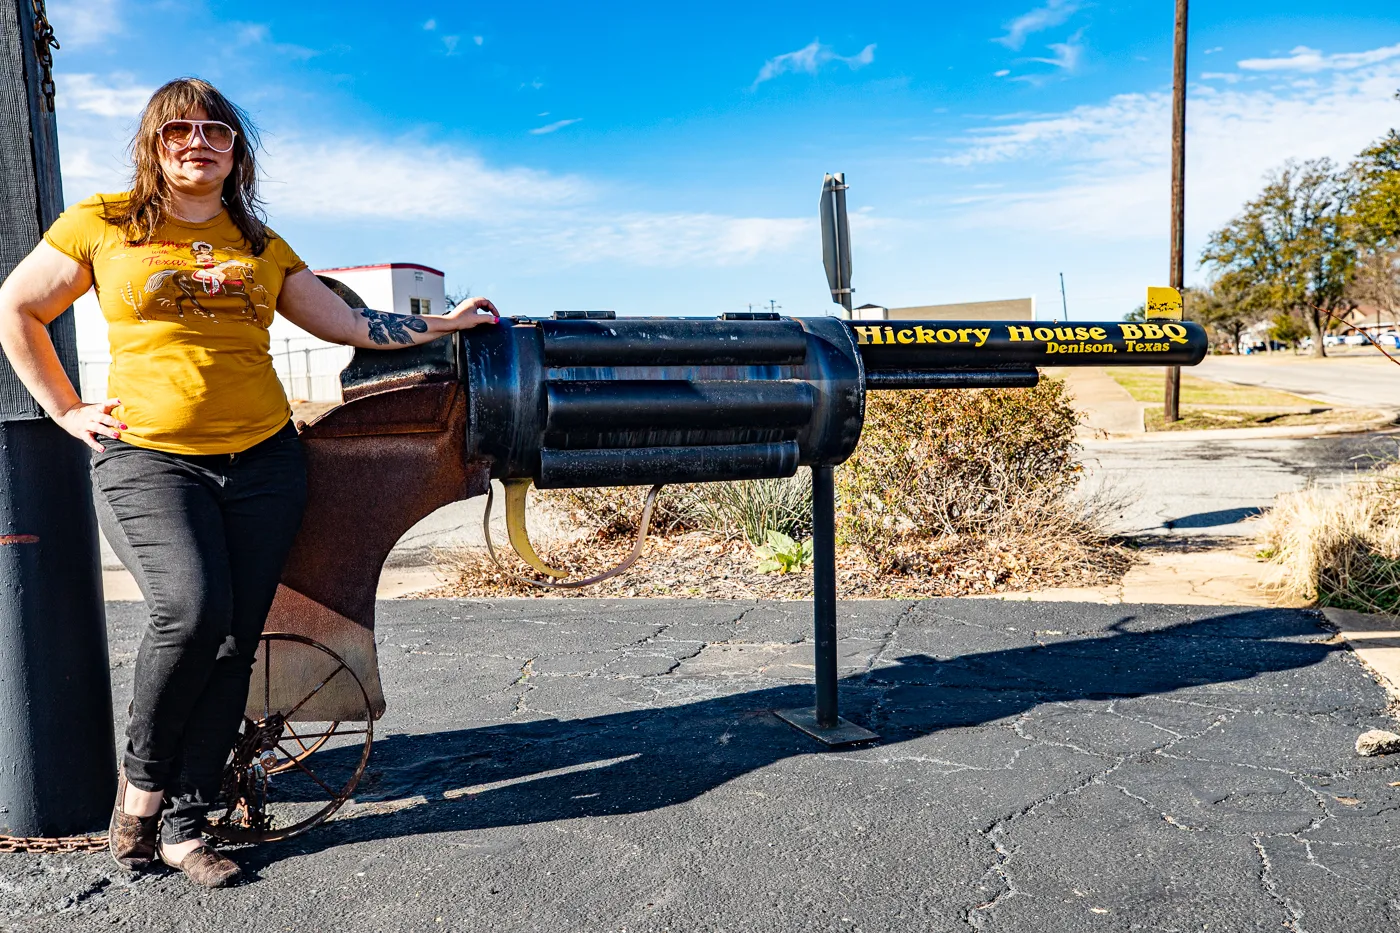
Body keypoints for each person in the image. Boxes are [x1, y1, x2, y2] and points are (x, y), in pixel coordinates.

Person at [0, 77, 498, 887]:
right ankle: (142, 793)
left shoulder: (259, 243)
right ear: (153, 146)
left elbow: (351, 323)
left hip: (264, 460)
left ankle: (187, 826)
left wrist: (446, 323)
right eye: (178, 131)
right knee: (189, 609)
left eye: (216, 132)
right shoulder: (105, 222)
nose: (198, 142)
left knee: (235, 639)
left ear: (237, 151)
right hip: (149, 456)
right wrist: (63, 409)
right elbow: (17, 307)